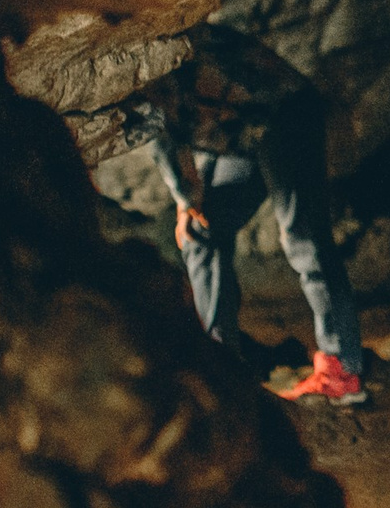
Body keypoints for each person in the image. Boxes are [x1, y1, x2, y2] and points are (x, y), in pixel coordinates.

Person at [121, 23, 367, 405]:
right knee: (201, 231)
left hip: (283, 114)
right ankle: (222, 367)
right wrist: (190, 201)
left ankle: (343, 369)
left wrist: (187, 196)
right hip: (237, 135)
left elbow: (161, 126)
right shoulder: (130, 58)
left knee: (304, 238)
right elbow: (169, 126)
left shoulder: (143, 44)